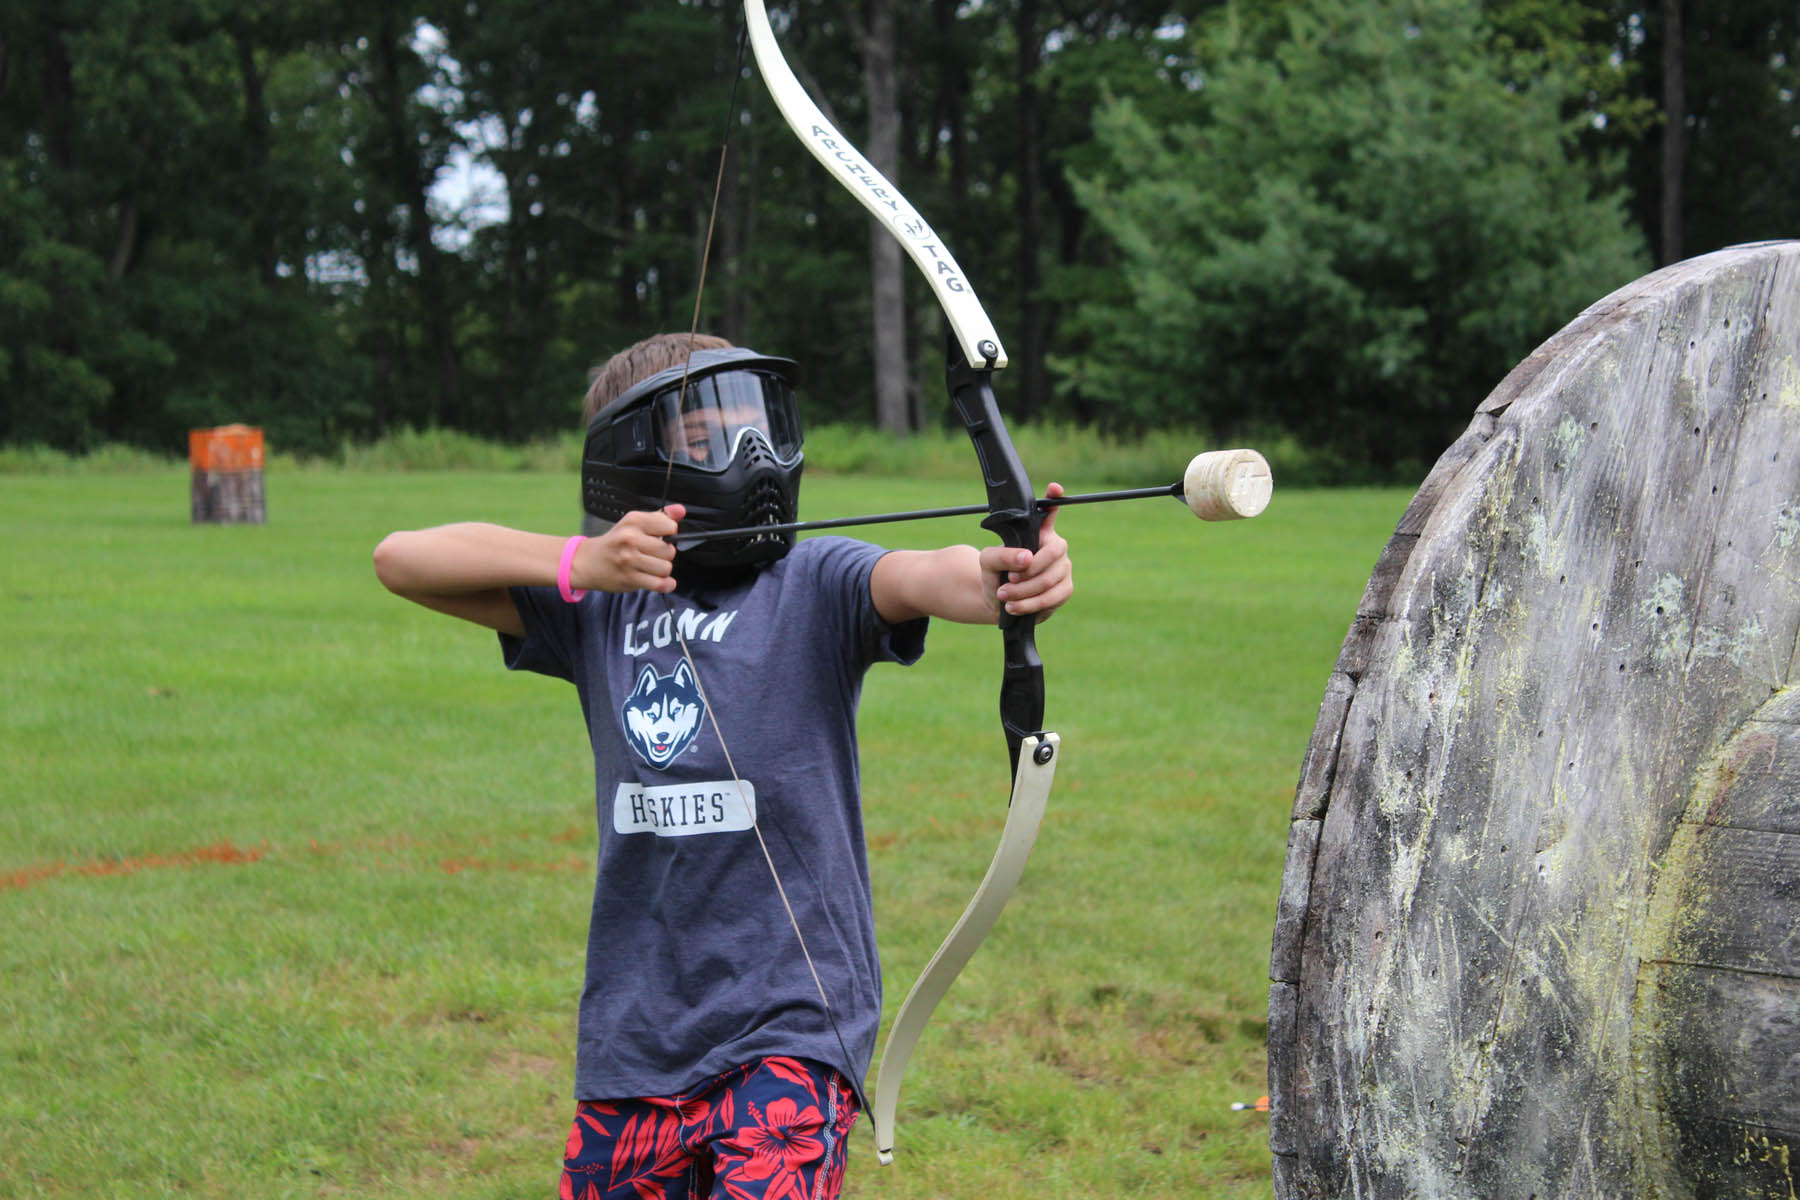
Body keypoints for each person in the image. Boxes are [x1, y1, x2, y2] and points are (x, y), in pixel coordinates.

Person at [372, 332, 1072, 1199]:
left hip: (791, 1026)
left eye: (757, 428)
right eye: (705, 438)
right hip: (635, 1038)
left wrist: (1010, 573)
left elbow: (934, 576)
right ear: (631, 465)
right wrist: (581, 563)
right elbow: (399, 559)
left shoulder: (816, 579)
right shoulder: (596, 607)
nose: (748, 456)